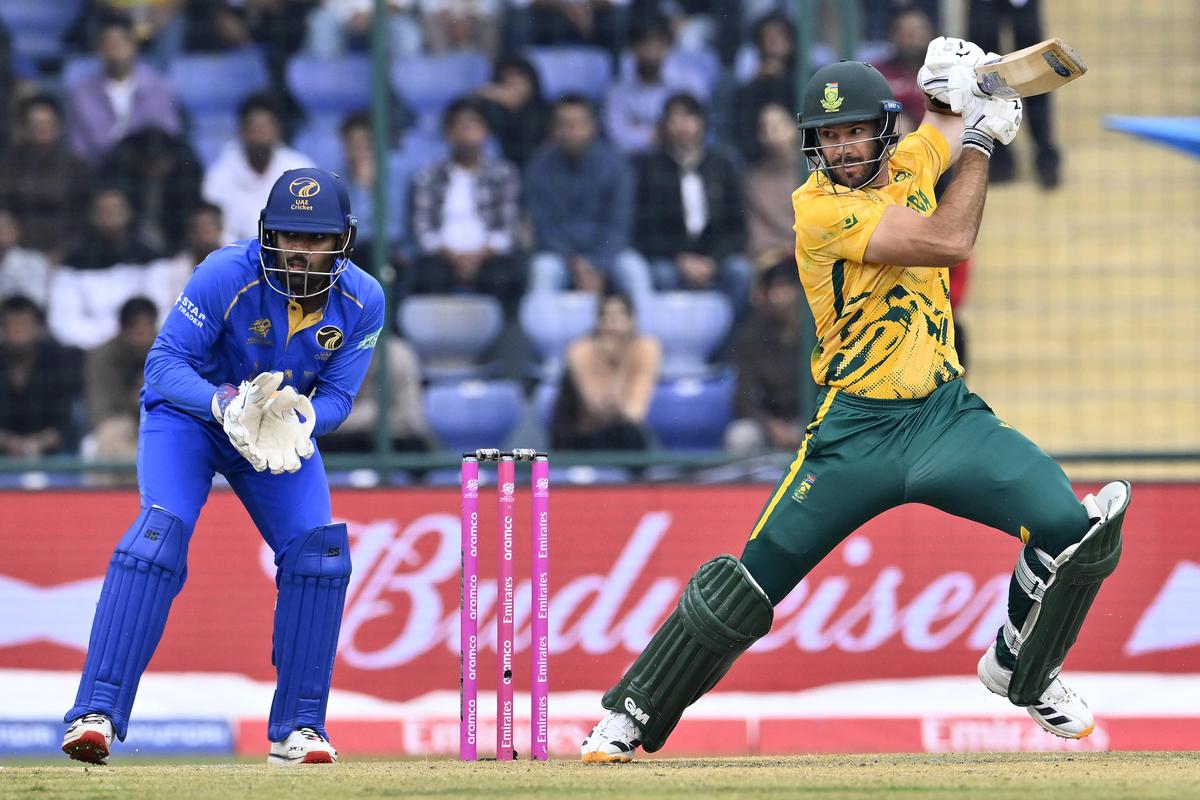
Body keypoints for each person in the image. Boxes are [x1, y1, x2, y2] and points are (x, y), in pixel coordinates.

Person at [579, 45, 1130, 763]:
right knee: (748, 584)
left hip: (943, 416)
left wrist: (956, 84)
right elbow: (949, 239)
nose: (841, 148)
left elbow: (943, 120)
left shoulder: (910, 162)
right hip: (854, 433)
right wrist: (982, 143)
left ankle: (1021, 667)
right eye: (829, 136)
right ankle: (630, 714)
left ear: (883, 132)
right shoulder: (817, 210)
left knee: (1072, 529)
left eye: (855, 132)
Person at [60, 167, 385, 767]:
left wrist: (303, 419)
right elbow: (163, 365)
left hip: (273, 433)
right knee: (157, 540)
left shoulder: (364, 299)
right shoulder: (225, 273)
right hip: (192, 419)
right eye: (289, 235)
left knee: (320, 555)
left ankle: (299, 729)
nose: (301, 251)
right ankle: (96, 713)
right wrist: (224, 404)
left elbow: (339, 397)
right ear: (267, 233)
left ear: (343, 239)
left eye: (316, 238)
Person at [525, 95, 651, 304]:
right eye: (565, 125)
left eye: (579, 124)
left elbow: (619, 225)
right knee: (543, 270)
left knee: (634, 270)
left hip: (609, 252)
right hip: (560, 256)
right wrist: (575, 263)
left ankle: (646, 327)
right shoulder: (538, 167)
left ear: (593, 126)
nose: (573, 131)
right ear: (553, 129)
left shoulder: (616, 165)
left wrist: (599, 264)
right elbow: (544, 228)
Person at [631, 93, 750, 313]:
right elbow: (645, 229)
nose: (682, 126)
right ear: (664, 126)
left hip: (715, 258)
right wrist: (680, 260)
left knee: (740, 271)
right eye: (674, 119)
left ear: (702, 122)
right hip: (670, 259)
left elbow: (737, 227)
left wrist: (713, 261)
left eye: (688, 117)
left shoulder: (722, 165)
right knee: (661, 274)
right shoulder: (649, 168)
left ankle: (728, 334)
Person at [408, 98, 523, 312]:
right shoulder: (428, 175)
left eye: (473, 126)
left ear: (486, 132)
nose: (466, 133)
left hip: (488, 257)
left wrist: (479, 256)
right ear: (448, 133)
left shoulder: (504, 174)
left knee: (505, 276)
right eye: (460, 126)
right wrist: (451, 256)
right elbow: (422, 229)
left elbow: (506, 229)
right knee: (426, 276)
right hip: (442, 256)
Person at [550, 290, 660, 451]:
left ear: (632, 320)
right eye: (607, 317)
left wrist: (621, 361)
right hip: (581, 437)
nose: (613, 325)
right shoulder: (580, 350)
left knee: (631, 435)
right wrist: (614, 364)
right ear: (598, 322)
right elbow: (598, 409)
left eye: (620, 316)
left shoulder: (647, 348)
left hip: (624, 434)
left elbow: (635, 413)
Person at [66, 15, 182, 164]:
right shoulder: (82, 93)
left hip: (148, 167)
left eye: (121, 41)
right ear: (99, 49)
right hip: (102, 169)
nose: (116, 48)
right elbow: (79, 148)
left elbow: (169, 133)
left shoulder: (158, 86)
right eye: (110, 43)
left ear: (134, 45)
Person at [203, 94, 315, 244]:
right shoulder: (218, 176)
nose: (260, 135)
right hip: (236, 254)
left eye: (266, 127)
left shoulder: (300, 170)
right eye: (254, 128)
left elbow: (309, 224)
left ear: (278, 131)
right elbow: (217, 233)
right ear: (242, 132)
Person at [723, 259, 802, 454]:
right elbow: (743, 398)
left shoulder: (823, 331)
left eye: (787, 287)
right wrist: (772, 426)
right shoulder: (752, 335)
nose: (780, 296)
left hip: (813, 420)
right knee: (740, 436)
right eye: (774, 288)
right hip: (770, 423)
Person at [0, 95, 92, 261]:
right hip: (14, 254)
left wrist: (64, 252)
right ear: (23, 128)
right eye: (35, 124)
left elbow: (85, 218)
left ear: (59, 126)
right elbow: (4, 209)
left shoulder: (77, 167)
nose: (41, 128)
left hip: (67, 256)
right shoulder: (8, 166)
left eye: (47, 123)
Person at [0, 296, 81, 458]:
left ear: (38, 327)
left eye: (24, 324)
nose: (18, 331)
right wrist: (8, 443)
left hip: (51, 452)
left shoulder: (59, 360)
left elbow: (65, 421)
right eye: (12, 325)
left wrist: (37, 444)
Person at [84, 296, 159, 471]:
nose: (142, 335)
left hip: (162, 421)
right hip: (121, 423)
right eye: (136, 328)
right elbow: (101, 411)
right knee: (111, 434)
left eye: (147, 326)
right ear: (123, 329)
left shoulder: (168, 352)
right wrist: (138, 399)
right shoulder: (103, 357)